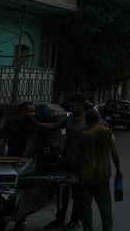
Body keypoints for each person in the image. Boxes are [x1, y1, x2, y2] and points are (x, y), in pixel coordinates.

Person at [41, 96, 87, 230]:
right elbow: (55, 126)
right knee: (62, 192)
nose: (71, 109)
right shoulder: (69, 119)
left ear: (81, 106)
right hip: (66, 161)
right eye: (71, 107)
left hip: (80, 163)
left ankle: (74, 220)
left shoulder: (87, 121)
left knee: (78, 194)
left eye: (74, 107)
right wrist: (39, 124)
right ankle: (59, 219)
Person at [77, 108, 121, 231]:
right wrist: (118, 170)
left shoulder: (84, 136)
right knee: (105, 208)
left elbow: (78, 157)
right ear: (99, 119)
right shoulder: (107, 132)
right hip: (103, 175)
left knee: (86, 209)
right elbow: (114, 153)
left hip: (87, 177)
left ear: (88, 121)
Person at [0, 102, 38, 230]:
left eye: (33, 111)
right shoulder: (10, 121)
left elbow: (30, 143)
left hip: (27, 158)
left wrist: (22, 159)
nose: (33, 114)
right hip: (11, 157)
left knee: (17, 180)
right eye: (30, 111)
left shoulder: (33, 124)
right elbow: (2, 139)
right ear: (23, 111)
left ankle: (20, 218)